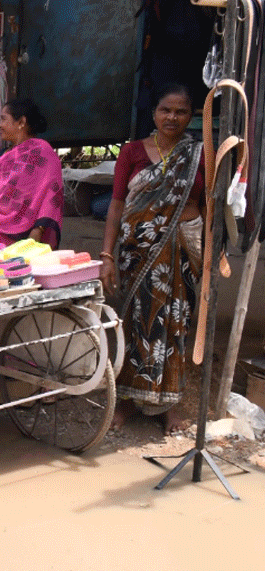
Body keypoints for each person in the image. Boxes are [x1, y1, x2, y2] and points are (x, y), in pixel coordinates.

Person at [100, 84, 204, 434]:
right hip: (137, 252)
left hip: (180, 251)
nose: (172, 118)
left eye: (181, 112)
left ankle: (169, 405)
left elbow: (209, 206)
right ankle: (127, 401)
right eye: (165, 110)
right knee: (135, 322)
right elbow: (116, 204)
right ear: (154, 113)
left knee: (176, 323)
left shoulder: (200, 155)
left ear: (191, 116)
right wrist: (107, 255)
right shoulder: (131, 152)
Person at [0, 98, 63, 248]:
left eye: (3, 119)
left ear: (21, 122)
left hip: (22, 236)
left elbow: (51, 195)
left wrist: (38, 229)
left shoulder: (42, 154)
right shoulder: (2, 156)